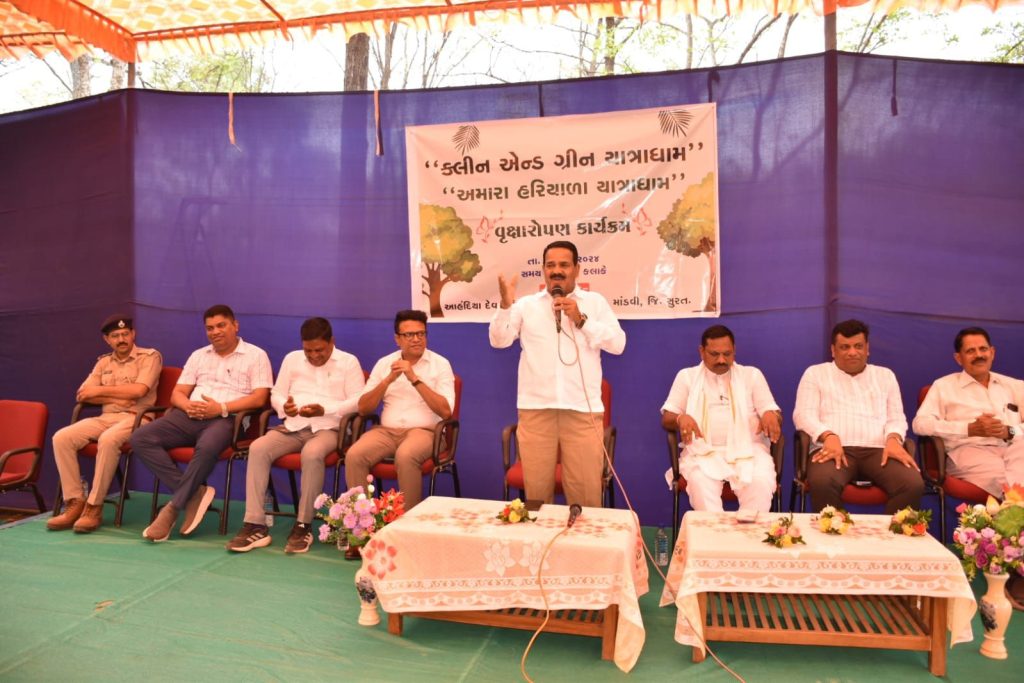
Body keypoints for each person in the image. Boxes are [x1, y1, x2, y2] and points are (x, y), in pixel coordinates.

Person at [489, 240, 626, 508]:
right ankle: (541, 537)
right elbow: (499, 340)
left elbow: (618, 344)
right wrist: (505, 306)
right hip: (536, 410)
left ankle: (586, 537)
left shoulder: (595, 303)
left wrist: (582, 320)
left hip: (582, 411)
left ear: (577, 269)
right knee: (537, 498)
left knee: (586, 497)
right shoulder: (526, 305)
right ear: (543, 270)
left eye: (564, 265)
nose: (557, 271)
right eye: (550, 265)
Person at [130, 304, 273, 542]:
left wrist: (221, 408)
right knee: (140, 438)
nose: (215, 332)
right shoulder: (199, 355)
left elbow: (259, 398)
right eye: (210, 328)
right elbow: (177, 393)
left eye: (221, 325)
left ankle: (173, 508)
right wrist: (187, 406)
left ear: (235, 325)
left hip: (228, 419)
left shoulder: (256, 355)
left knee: (206, 447)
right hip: (189, 415)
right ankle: (194, 493)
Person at [227, 317, 365, 554]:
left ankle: (303, 524)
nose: (314, 356)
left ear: (332, 342)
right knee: (258, 447)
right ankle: (255, 524)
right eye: (308, 350)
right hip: (293, 426)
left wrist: (325, 410)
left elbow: (358, 402)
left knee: (311, 453)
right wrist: (284, 407)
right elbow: (277, 394)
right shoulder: (292, 359)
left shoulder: (348, 362)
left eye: (319, 350)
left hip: (330, 428)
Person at [793, 319, 923, 514]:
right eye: (844, 347)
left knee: (912, 484)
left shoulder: (885, 375)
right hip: (831, 449)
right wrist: (828, 435)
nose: (852, 352)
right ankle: (835, 531)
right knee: (822, 482)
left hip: (880, 450)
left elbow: (896, 418)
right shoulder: (815, 374)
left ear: (867, 348)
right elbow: (803, 415)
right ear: (833, 350)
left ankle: (891, 533)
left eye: (858, 346)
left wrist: (894, 438)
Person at [47, 314, 162, 533]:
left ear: (133, 334)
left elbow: (139, 391)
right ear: (107, 340)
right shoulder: (103, 362)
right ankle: (74, 501)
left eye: (125, 334)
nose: (121, 339)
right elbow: (83, 394)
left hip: (138, 418)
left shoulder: (150, 357)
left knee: (108, 440)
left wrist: (100, 392)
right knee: (62, 437)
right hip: (106, 418)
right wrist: (118, 396)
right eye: (115, 336)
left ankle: (94, 506)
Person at [660, 325, 782, 512]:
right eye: (714, 354)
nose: (721, 360)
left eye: (727, 354)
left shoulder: (752, 375)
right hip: (701, 452)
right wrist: (680, 418)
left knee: (760, 483)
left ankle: (749, 531)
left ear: (735, 350)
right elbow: (667, 417)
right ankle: (713, 532)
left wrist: (770, 415)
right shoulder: (687, 377)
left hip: (749, 451)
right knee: (700, 485)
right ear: (701, 351)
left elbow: (772, 410)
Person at [344, 310, 454, 510]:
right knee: (354, 455)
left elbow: (446, 412)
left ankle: (408, 521)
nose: (416, 339)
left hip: (426, 432)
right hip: (386, 432)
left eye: (421, 333)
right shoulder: (384, 363)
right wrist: (387, 380)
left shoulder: (440, 364)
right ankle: (362, 521)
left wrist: (414, 379)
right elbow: (363, 408)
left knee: (405, 455)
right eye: (409, 335)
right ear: (397, 339)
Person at [913, 326, 1024, 498]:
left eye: (983, 349)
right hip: (969, 451)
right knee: (1006, 481)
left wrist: (1008, 431)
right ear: (959, 358)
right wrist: (969, 429)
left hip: (1013, 447)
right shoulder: (943, 386)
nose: (979, 355)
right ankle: (1013, 508)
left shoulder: (1015, 386)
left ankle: (1013, 507)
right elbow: (920, 424)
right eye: (970, 351)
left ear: (992, 352)